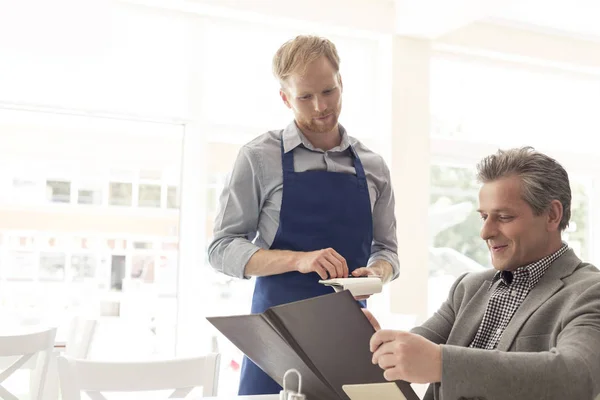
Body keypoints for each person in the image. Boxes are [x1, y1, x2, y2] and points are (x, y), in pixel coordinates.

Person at [207, 35, 400, 395]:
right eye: (305, 97)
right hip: (275, 340)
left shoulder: (374, 166)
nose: (320, 107)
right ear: (284, 98)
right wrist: (300, 259)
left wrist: (378, 272)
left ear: (341, 83)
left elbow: (388, 252)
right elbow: (220, 248)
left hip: (349, 336)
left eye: (328, 91)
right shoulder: (258, 157)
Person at [365, 147, 600, 400]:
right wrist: (376, 346)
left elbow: (577, 376)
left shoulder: (589, 291)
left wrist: (442, 363)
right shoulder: (467, 288)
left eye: (504, 217)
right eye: (484, 217)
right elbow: (412, 352)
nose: (485, 232)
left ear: (552, 215)